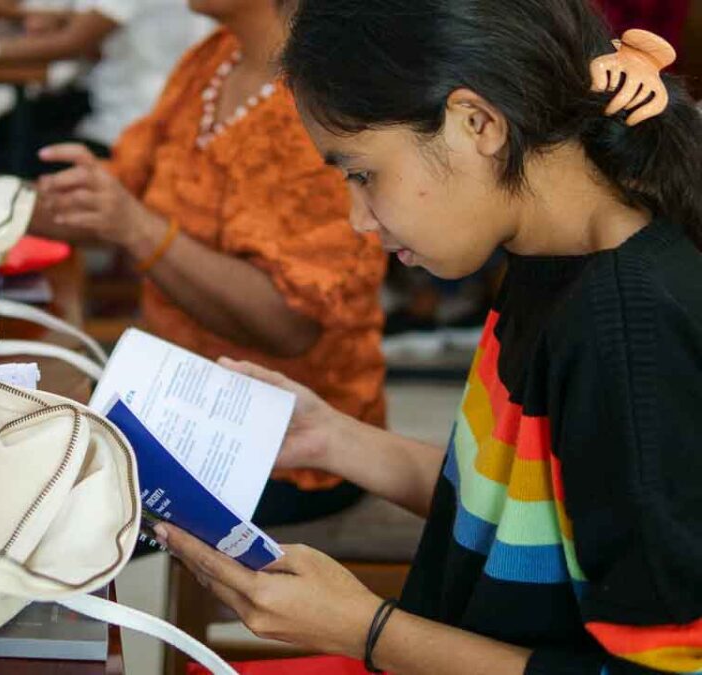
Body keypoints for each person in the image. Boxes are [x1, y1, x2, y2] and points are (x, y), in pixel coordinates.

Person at [157, 1, 702, 673]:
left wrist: (366, 627)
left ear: (477, 124)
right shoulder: (548, 249)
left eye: (361, 173)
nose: (359, 218)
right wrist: (330, 436)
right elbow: (518, 508)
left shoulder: (628, 336)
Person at [0, 0, 387, 527]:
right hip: (166, 395)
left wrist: (136, 227)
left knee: (14, 505)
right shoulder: (214, 59)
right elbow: (116, 192)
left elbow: (290, 326)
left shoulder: (322, 101)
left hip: (277, 447)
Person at [0, 0, 212, 177]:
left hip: (132, 120)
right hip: (131, 103)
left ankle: (10, 241)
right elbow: (88, 25)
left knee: (14, 156)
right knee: (11, 126)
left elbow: (74, 42)